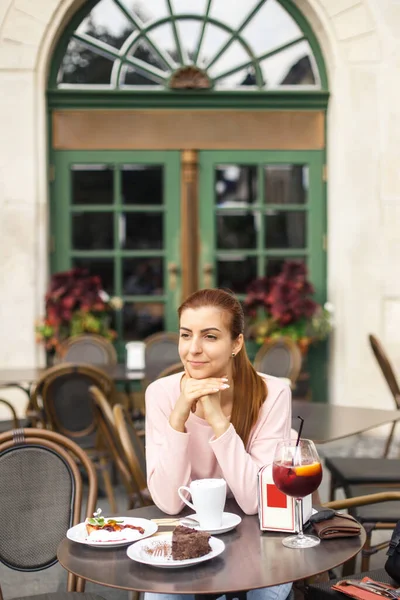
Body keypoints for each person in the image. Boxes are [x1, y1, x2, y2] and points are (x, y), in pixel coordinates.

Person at [145, 288, 293, 600]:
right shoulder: (161, 394)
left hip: (260, 539)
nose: (193, 349)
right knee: (163, 597)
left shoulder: (273, 394)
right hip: (189, 536)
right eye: (186, 335)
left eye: (210, 337)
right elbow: (171, 503)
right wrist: (178, 418)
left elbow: (256, 501)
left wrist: (217, 420)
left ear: (236, 343)